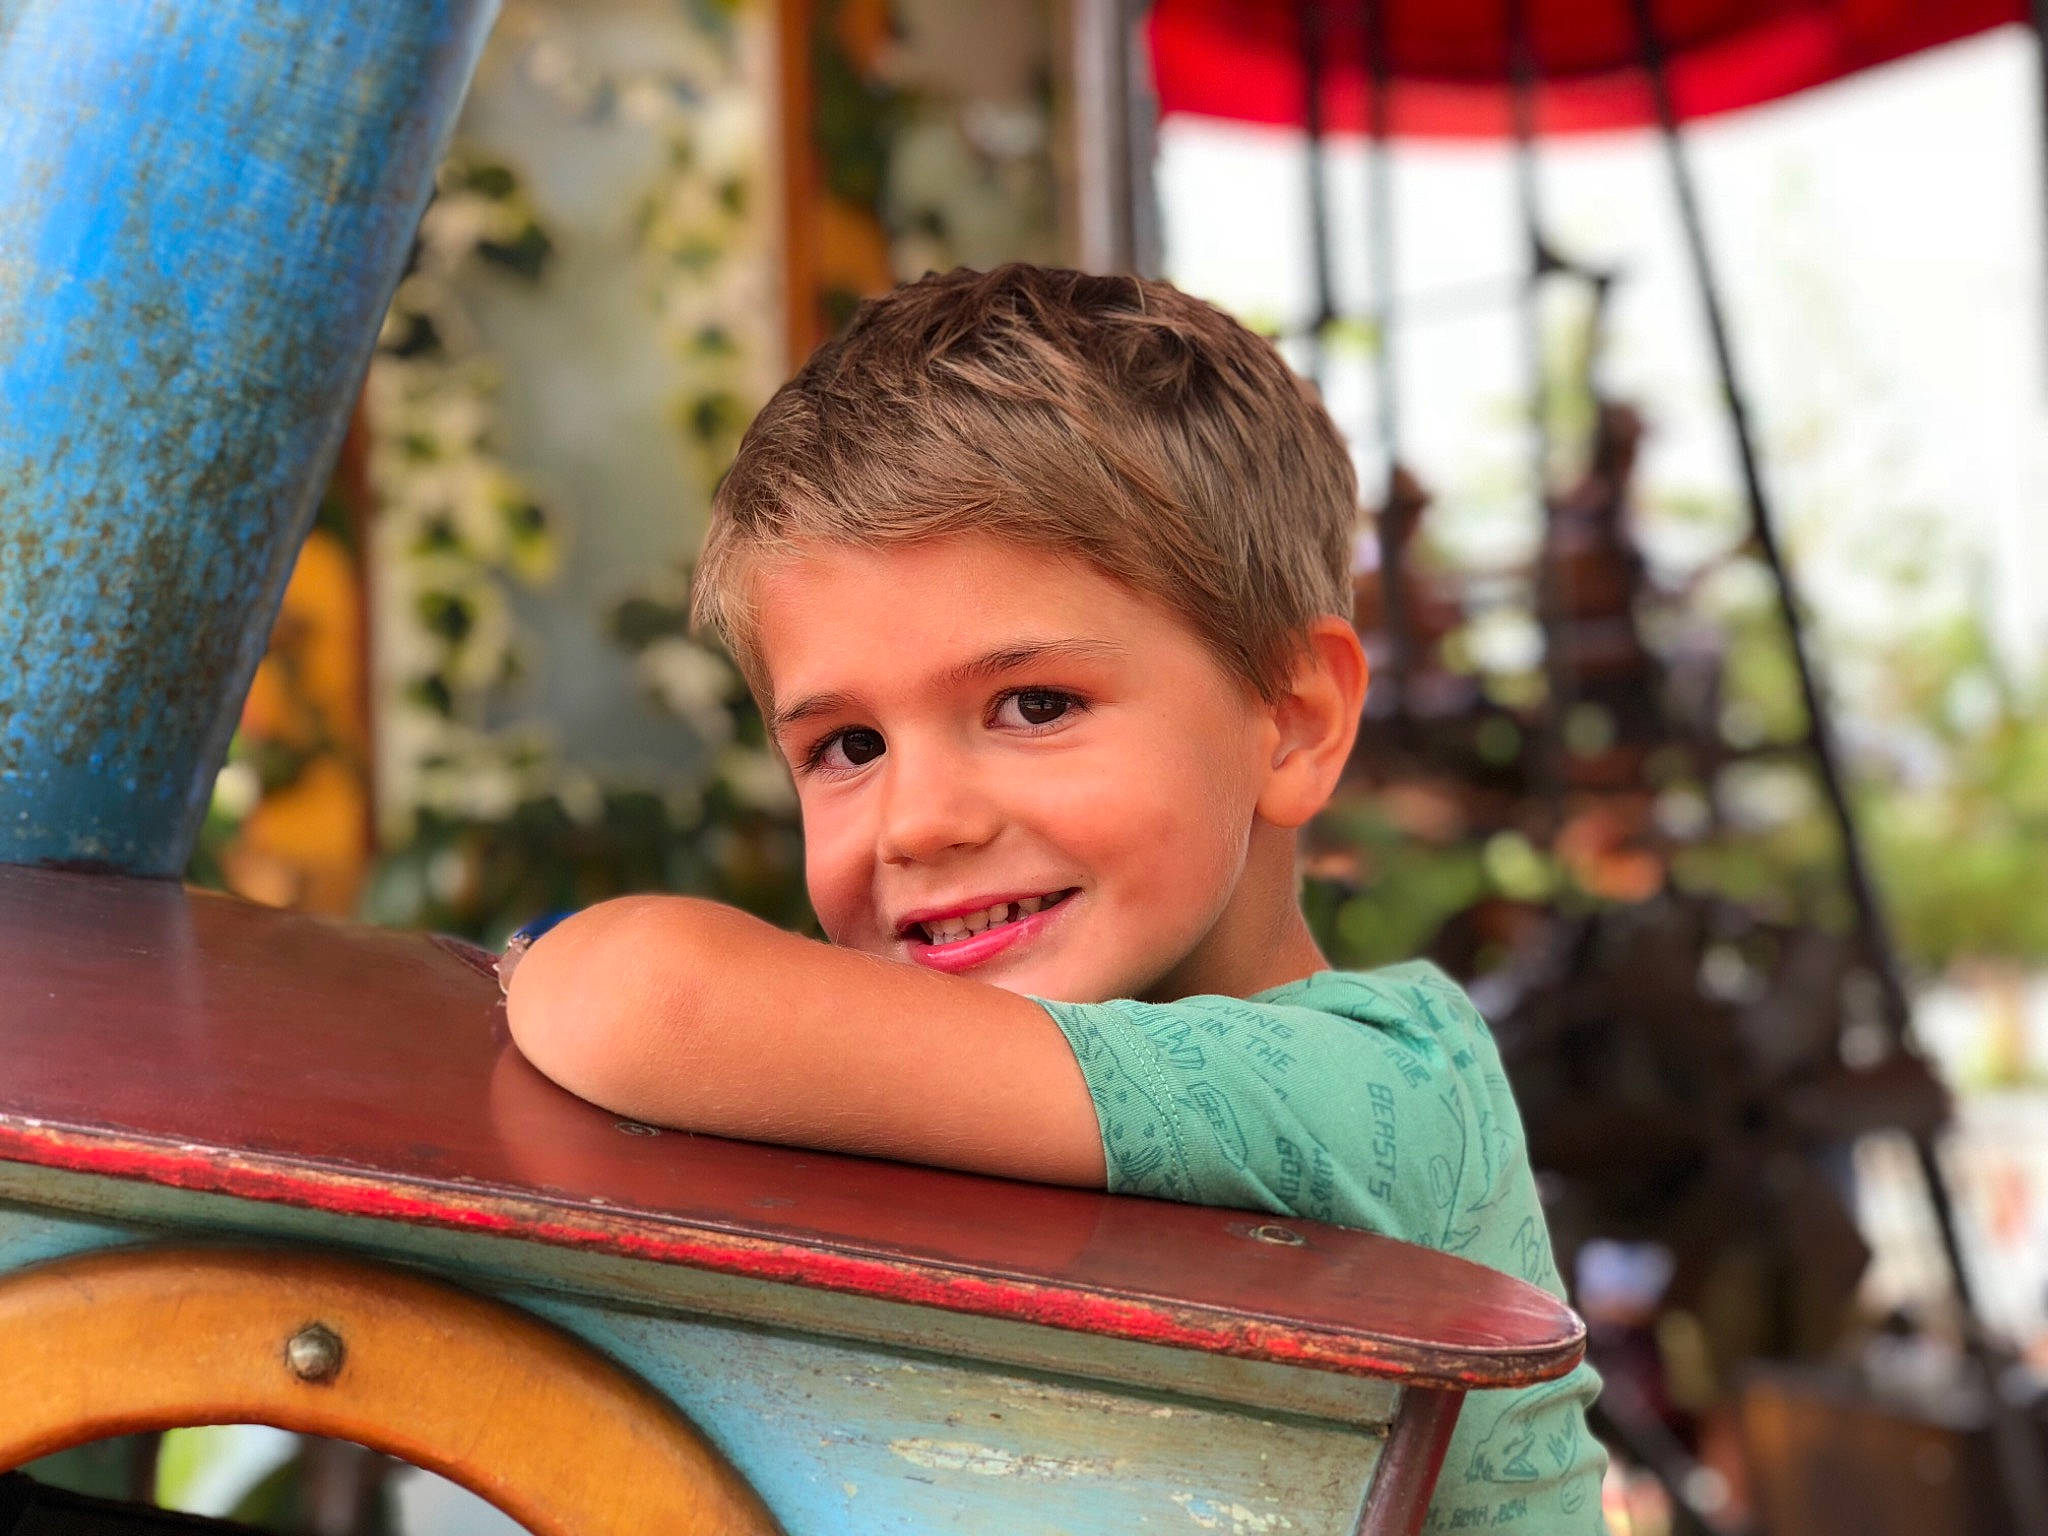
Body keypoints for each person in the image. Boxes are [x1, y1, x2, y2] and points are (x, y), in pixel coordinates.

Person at [504, 263, 1605, 1531]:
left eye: (1034, 706)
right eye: (847, 747)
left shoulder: (1390, 1095)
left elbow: (649, 1000)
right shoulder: (978, 1123)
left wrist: (541, 958)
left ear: (1292, 726)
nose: (920, 821)